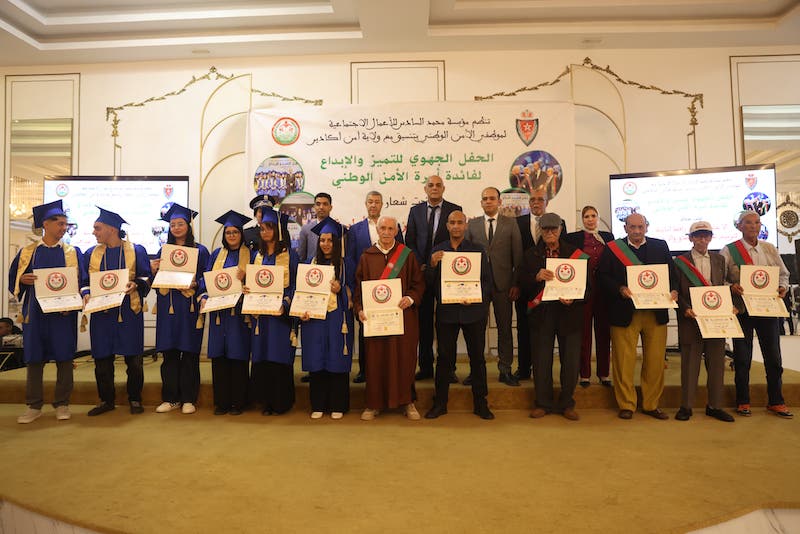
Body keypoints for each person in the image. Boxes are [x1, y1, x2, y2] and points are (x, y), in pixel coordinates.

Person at [9, 200, 87, 423]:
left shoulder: (73, 252)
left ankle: (62, 404)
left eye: (65, 224)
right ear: (45, 224)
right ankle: (34, 406)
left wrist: (79, 298)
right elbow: (14, 279)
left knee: (64, 358)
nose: (64, 228)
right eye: (60, 224)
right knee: (34, 358)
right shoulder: (28, 253)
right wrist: (22, 280)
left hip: (63, 313)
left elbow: (82, 280)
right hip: (35, 312)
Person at [597, 213, 677, 420]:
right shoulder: (612, 248)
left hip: (655, 312)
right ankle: (627, 404)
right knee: (624, 361)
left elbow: (672, 275)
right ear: (625, 228)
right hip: (624, 311)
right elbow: (602, 276)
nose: (637, 231)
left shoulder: (660, 246)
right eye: (632, 227)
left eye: (640, 227)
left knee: (655, 361)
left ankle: (651, 404)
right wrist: (619, 288)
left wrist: (674, 290)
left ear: (646, 227)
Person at [720, 210, 793, 418]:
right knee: (742, 358)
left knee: (774, 357)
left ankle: (776, 401)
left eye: (757, 222)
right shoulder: (729, 250)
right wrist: (731, 287)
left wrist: (783, 287)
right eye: (748, 223)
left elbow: (784, 275)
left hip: (767, 309)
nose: (753, 226)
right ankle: (743, 401)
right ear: (739, 226)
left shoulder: (769, 248)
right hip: (742, 310)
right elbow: (719, 278)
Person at [424, 211, 494, 420]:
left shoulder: (477, 251)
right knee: (444, 359)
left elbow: (487, 281)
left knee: (477, 359)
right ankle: (440, 403)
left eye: (459, 223)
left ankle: (481, 403)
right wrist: (432, 266)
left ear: (466, 225)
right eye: (452, 222)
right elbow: (429, 284)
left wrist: (475, 297)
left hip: (474, 312)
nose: (456, 226)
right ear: (447, 225)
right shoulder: (438, 251)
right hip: (447, 313)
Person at [82, 207, 152, 416]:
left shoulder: (136, 250)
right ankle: (106, 400)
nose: (94, 232)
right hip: (102, 314)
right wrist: (86, 293)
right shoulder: (91, 253)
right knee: (102, 359)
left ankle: (135, 398)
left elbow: (146, 276)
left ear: (111, 229)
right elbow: (84, 281)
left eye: (97, 228)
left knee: (134, 360)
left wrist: (136, 284)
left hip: (128, 311)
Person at [354, 215, 425, 421]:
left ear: (396, 231)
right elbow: (359, 289)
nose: (386, 232)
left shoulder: (406, 255)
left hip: (403, 318)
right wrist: (359, 309)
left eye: (390, 229)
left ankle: (407, 402)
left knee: (404, 360)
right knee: (376, 361)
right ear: (377, 230)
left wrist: (410, 298)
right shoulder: (367, 256)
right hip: (376, 321)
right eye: (383, 228)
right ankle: (373, 404)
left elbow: (418, 284)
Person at [518, 213, 587, 420]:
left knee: (571, 361)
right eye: (545, 229)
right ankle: (543, 403)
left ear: (560, 229)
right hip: (542, 314)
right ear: (540, 230)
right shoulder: (530, 255)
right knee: (541, 361)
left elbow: (588, 286)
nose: (549, 233)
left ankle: (567, 404)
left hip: (569, 314)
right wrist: (536, 277)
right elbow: (520, 282)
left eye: (553, 229)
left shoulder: (575, 254)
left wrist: (574, 298)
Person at [151, 203, 209, 415]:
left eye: (180, 224)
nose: (176, 228)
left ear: (188, 226)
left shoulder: (200, 251)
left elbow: (207, 277)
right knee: (170, 353)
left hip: (189, 307)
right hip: (168, 306)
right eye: (173, 224)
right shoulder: (164, 251)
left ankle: (188, 399)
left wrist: (197, 283)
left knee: (190, 353)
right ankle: (170, 398)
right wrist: (153, 270)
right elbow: (156, 281)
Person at [673, 221, 734, 422]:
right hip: (690, 318)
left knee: (717, 364)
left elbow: (724, 286)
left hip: (715, 320)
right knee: (690, 366)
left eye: (706, 235)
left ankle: (715, 406)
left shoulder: (719, 259)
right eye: (698, 236)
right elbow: (675, 291)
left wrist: (730, 306)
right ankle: (686, 406)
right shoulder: (679, 261)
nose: (702, 239)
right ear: (691, 238)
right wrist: (685, 308)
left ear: (711, 238)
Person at [405, 175, 462, 381]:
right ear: (425, 189)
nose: (434, 188)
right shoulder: (415, 211)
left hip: (447, 276)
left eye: (438, 185)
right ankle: (426, 367)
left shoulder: (455, 209)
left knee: (448, 324)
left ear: (443, 188)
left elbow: (458, 239)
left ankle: (449, 369)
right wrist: (422, 264)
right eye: (431, 185)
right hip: (422, 274)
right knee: (424, 323)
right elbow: (410, 241)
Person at [465, 186, 523, 387]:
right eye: (485, 199)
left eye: (492, 198)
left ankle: (505, 369)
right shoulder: (472, 225)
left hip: (504, 285)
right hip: (478, 286)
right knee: (476, 331)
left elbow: (518, 256)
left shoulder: (511, 223)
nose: (488, 201)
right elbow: (467, 256)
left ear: (499, 202)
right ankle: (476, 371)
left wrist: (515, 283)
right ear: (481, 203)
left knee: (504, 329)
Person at [345, 190, 404, 384]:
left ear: (382, 204)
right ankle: (364, 370)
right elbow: (351, 260)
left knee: (389, 329)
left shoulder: (392, 226)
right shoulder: (355, 230)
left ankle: (389, 369)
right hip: (365, 288)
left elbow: (401, 255)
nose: (373, 205)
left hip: (390, 288)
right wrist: (355, 287)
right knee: (365, 330)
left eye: (377, 202)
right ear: (365, 204)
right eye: (370, 201)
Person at [300, 219, 355, 419]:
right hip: (314, 319)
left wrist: (341, 289)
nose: (325, 244)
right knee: (317, 358)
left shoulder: (346, 264)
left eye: (330, 240)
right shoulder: (309, 264)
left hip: (337, 318)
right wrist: (301, 310)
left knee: (336, 359)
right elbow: (301, 291)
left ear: (337, 242)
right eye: (322, 240)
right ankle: (318, 404)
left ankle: (338, 405)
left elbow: (355, 291)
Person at [201, 210, 252, 416]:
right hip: (219, 314)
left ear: (241, 234)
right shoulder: (216, 255)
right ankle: (221, 402)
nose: (231, 235)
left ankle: (238, 402)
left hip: (238, 314)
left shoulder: (251, 255)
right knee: (220, 358)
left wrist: (246, 277)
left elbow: (257, 282)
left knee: (238, 356)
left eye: (235, 232)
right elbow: (206, 280)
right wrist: (204, 296)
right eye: (228, 232)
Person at [249, 208, 299, 415]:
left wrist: (285, 304)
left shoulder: (291, 255)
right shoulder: (257, 255)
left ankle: (281, 402)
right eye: (262, 228)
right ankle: (265, 402)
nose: (265, 232)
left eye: (269, 228)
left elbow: (296, 285)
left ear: (278, 230)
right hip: (261, 316)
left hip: (280, 317)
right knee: (262, 356)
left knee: (278, 356)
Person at [514, 187, 566, 380]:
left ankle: (544, 371)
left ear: (547, 202)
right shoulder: (517, 222)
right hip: (527, 284)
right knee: (523, 327)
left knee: (548, 331)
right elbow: (514, 256)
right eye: (533, 199)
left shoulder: (559, 222)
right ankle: (523, 368)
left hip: (552, 285)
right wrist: (516, 283)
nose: (536, 203)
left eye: (540, 199)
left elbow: (565, 255)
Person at [565, 205, 614, 388]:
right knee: (584, 333)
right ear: (582, 219)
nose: (590, 219)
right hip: (584, 291)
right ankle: (584, 375)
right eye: (587, 216)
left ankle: (604, 374)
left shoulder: (608, 237)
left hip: (604, 291)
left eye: (593, 216)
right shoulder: (573, 238)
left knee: (603, 333)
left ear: (598, 218)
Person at [296, 192, 333, 262]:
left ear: (330, 207)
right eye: (318, 204)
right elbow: (301, 257)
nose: (321, 207)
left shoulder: (339, 229)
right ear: (314, 207)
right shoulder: (306, 229)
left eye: (325, 204)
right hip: (312, 267)